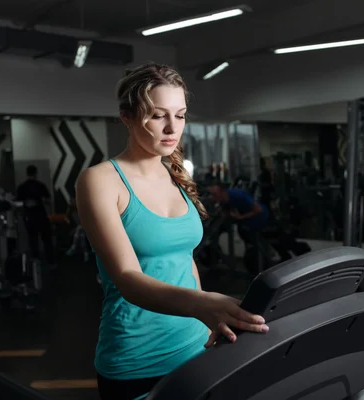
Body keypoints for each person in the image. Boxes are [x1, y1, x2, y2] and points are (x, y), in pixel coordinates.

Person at [75, 63, 268, 400]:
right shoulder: (100, 181)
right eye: (157, 115)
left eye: (179, 115)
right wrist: (203, 304)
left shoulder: (175, 175)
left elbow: (185, 260)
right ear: (127, 117)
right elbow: (127, 277)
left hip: (196, 344)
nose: (171, 128)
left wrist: (209, 318)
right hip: (138, 357)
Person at [16, 165, 56, 269]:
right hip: (41, 216)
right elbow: (48, 201)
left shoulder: (22, 187)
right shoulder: (40, 186)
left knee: (33, 239)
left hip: (29, 217)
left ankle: (36, 263)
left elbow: (17, 203)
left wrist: (26, 204)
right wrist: (40, 202)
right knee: (46, 240)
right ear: (36, 173)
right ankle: (51, 262)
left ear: (27, 173)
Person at [207, 181, 269, 246]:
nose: (212, 197)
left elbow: (259, 209)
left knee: (247, 235)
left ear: (222, 192)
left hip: (259, 217)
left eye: (215, 194)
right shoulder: (224, 200)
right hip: (247, 217)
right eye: (211, 194)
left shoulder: (237, 196)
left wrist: (241, 217)